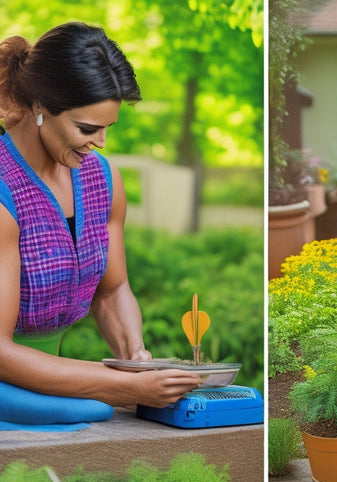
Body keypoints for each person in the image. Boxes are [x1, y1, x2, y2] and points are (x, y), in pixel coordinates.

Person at [0, 22, 201, 419]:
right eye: (87, 129)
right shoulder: (4, 191)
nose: (102, 143)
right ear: (40, 106)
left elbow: (112, 290)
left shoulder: (102, 180)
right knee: (99, 410)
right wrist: (124, 385)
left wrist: (135, 357)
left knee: (114, 406)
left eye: (109, 128)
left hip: (42, 376)